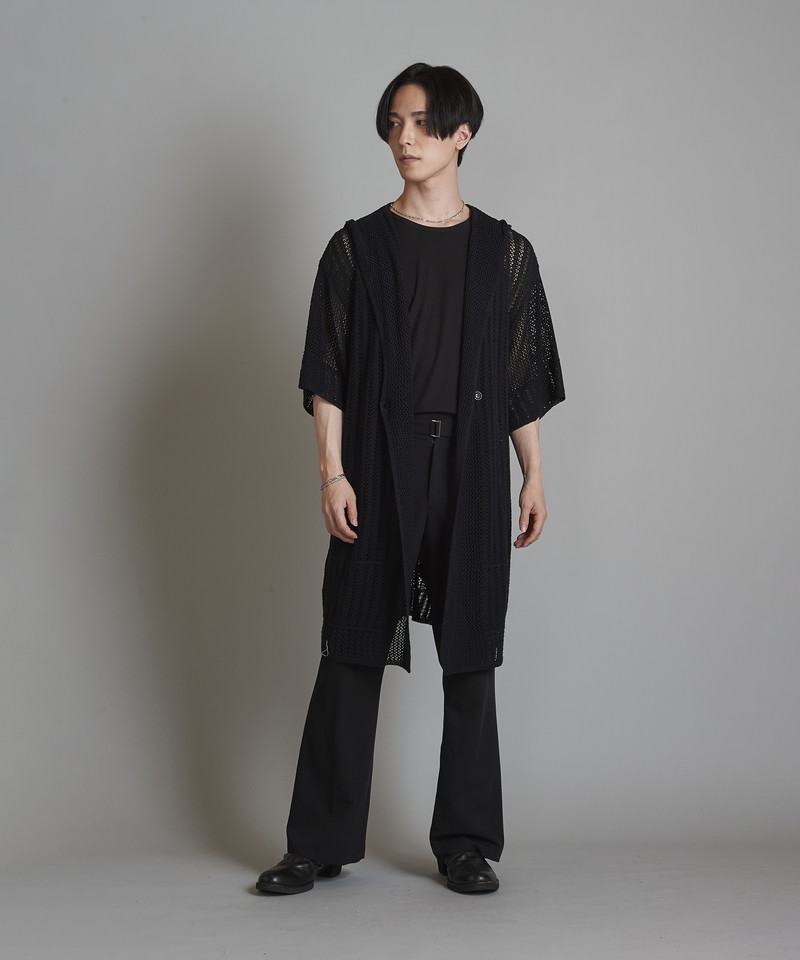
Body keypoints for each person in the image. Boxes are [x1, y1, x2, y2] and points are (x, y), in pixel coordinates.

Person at [256, 62, 565, 896]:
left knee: (472, 652)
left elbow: (521, 379)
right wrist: (332, 473)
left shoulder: (505, 253)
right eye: (394, 122)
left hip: (471, 466)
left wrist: (534, 474)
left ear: (462, 134)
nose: (404, 138)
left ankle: (466, 843)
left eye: (423, 123)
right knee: (352, 643)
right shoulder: (356, 248)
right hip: (379, 464)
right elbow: (327, 369)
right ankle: (316, 843)